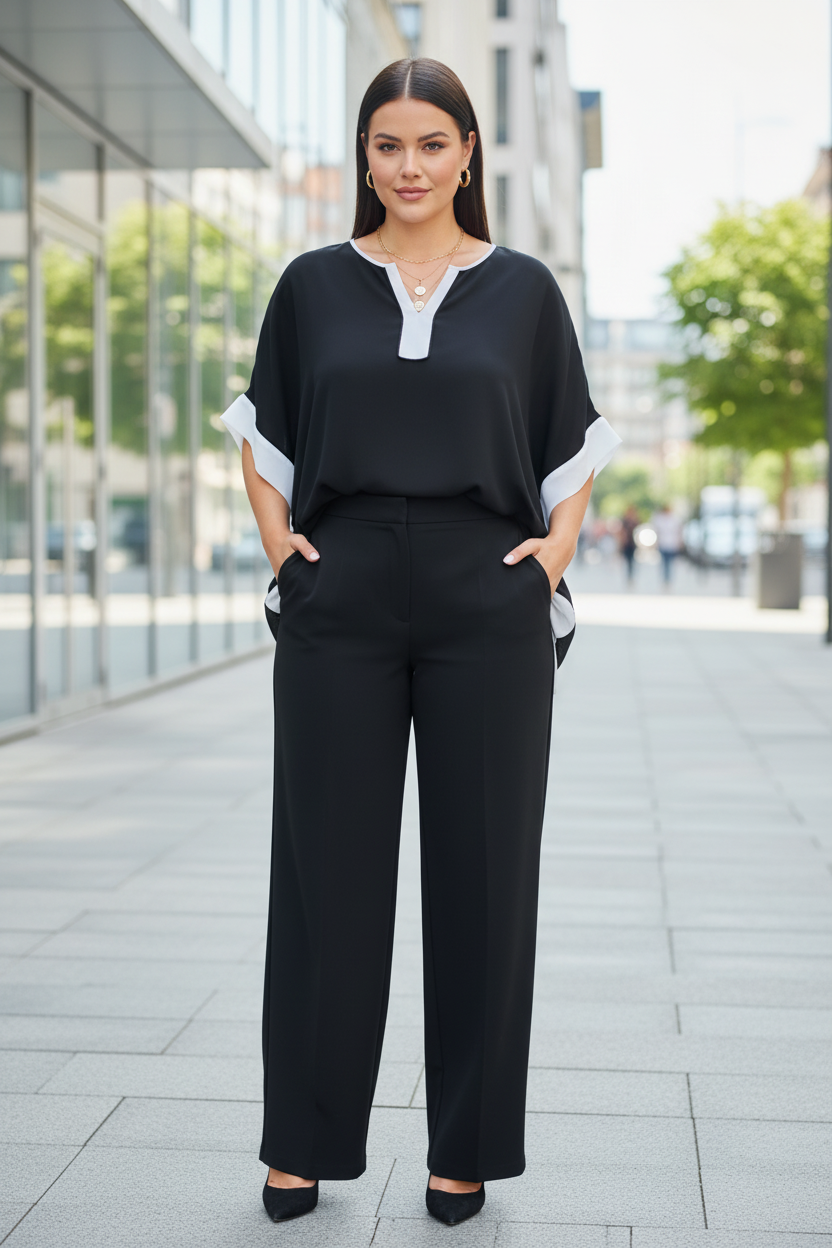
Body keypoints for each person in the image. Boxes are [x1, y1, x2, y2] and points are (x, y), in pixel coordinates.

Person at [221, 58, 620, 1228]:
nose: (408, 167)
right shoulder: (311, 287)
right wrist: (280, 545)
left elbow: (570, 444)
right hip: (339, 590)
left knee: (486, 881)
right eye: (387, 145)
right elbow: (264, 434)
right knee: (322, 876)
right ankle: (302, 1141)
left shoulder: (524, 292)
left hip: (484, 592)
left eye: (431, 144)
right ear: (363, 156)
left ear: (468, 153)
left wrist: (553, 554)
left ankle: (467, 1151)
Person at [651, 504, 684, 585]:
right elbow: (656, 531)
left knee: (670, 562)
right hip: (663, 543)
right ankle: (665, 578)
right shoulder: (659, 519)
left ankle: (668, 578)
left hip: (672, 544)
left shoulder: (675, 519)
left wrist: (679, 541)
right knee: (664, 562)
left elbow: (679, 530)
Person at [619, 505, 639, 583]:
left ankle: (631, 575)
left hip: (632, 543)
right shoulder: (625, 521)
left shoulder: (635, 521)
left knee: (632, 560)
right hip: (626, 543)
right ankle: (629, 576)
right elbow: (621, 531)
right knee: (627, 560)